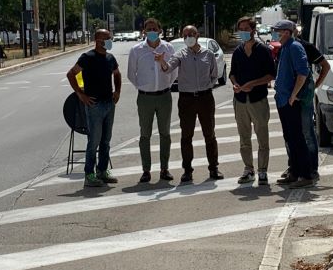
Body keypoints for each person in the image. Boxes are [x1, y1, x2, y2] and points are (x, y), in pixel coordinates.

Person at [155, 25, 223, 183]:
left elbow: (214, 75)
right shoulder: (180, 55)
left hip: (205, 98)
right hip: (186, 100)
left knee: (210, 135)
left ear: (197, 35)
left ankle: (214, 168)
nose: (188, 37)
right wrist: (162, 62)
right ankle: (187, 170)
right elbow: (168, 68)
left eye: (191, 34)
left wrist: (208, 86)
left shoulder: (208, 54)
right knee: (186, 136)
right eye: (185, 35)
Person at [66, 29, 121, 188]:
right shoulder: (87, 58)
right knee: (94, 141)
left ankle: (102, 171)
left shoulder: (110, 58)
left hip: (109, 104)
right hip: (94, 105)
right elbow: (71, 74)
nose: (109, 41)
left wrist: (117, 91)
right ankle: (89, 174)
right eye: (106, 38)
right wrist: (80, 94)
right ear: (98, 40)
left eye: (110, 38)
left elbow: (117, 74)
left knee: (106, 140)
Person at [127, 18, 177, 183]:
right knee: (145, 135)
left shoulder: (168, 48)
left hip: (164, 96)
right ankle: (146, 170)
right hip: (145, 98)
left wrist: (166, 85)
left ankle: (164, 169)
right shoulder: (136, 50)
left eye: (155, 28)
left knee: (165, 134)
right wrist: (143, 86)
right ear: (144, 31)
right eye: (149, 29)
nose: (152, 31)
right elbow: (131, 74)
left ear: (160, 30)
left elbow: (173, 72)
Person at [230, 16, 276, 185]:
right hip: (240, 100)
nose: (243, 32)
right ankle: (248, 169)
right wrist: (235, 85)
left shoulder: (263, 50)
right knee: (244, 138)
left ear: (253, 31)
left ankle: (263, 171)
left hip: (258, 100)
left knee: (262, 137)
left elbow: (271, 74)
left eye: (246, 29)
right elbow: (232, 74)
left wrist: (253, 84)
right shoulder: (237, 52)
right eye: (240, 29)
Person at [271, 20, 313, 189]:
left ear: (287, 32)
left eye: (278, 31)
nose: (275, 34)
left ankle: (305, 175)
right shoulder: (285, 47)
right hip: (282, 99)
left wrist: (293, 95)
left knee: (297, 139)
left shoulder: (295, 47)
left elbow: (303, 72)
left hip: (290, 100)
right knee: (289, 138)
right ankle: (294, 172)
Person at [286, 26, 330, 179]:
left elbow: (326, 66)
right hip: (288, 97)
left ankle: (312, 168)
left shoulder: (305, 47)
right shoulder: (283, 48)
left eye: (283, 31)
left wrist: (316, 85)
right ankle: (293, 167)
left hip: (303, 97)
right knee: (290, 134)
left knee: (307, 133)